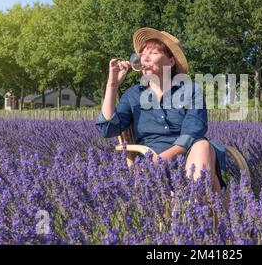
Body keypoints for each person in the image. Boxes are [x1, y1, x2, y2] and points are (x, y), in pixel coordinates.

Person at [95, 27, 227, 192]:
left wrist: (161, 159)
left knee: (202, 146)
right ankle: (208, 212)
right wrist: (112, 85)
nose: (145, 58)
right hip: (149, 164)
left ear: (171, 62)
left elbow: (193, 132)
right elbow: (108, 129)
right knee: (209, 175)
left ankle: (194, 211)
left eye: (154, 53)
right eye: (142, 54)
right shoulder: (133, 95)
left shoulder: (190, 90)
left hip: (187, 158)